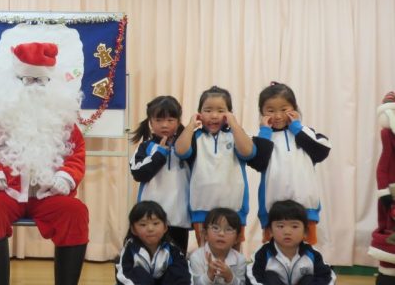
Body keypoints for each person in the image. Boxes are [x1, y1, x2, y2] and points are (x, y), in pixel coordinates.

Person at [0, 41, 91, 285]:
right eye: (27, 80)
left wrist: (66, 177)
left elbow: (77, 153)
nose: (34, 87)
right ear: (12, 82)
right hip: (8, 191)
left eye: (41, 81)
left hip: (48, 193)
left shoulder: (64, 120)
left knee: (75, 212)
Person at [174, 86, 261, 246]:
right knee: (205, 253)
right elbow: (180, 151)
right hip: (201, 208)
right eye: (208, 110)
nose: (214, 115)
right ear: (199, 113)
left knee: (233, 255)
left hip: (234, 208)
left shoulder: (235, 135)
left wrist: (234, 124)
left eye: (221, 111)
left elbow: (248, 152)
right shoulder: (195, 136)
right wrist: (191, 126)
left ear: (229, 113)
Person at [252, 82, 331, 245]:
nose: (278, 116)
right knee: (273, 251)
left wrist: (296, 128)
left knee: (306, 250)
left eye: (284, 109)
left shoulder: (304, 132)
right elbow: (258, 162)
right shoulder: (262, 137)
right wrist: (265, 132)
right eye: (270, 110)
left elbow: (322, 151)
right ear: (262, 113)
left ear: (294, 108)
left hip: (306, 207)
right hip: (273, 209)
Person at [114, 201, 192, 285]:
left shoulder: (173, 250)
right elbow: (122, 277)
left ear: (165, 227)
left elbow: (187, 277)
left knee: (176, 272)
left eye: (156, 223)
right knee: (138, 272)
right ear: (133, 229)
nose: (150, 229)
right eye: (143, 224)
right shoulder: (130, 250)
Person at [129, 95, 191, 254]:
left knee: (177, 260)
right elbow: (138, 173)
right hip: (151, 219)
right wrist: (160, 154)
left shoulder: (186, 146)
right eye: (159, 120)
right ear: (150, 121)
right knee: (148, 258)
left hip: (179, 217)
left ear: (178, 121)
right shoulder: (145, 147)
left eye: (170, 120)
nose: (165, 125)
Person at [370, 91, 395, 285]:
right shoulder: (388, 136)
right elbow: (383, 168)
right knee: (390, 232)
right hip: (392, 196)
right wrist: (386, 196)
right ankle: (388, 274)